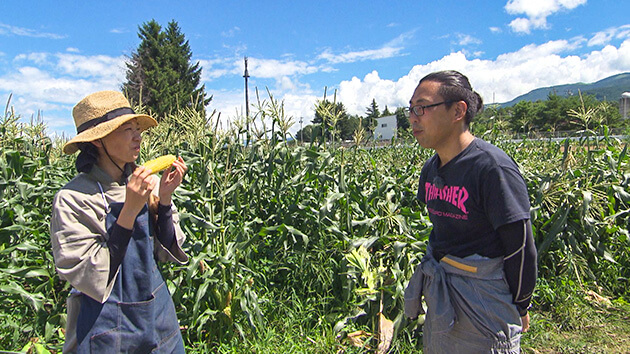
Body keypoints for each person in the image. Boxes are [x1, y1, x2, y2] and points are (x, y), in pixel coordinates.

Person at [403, 70, 537, 353]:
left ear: (458, 111)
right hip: (445, 299)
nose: (413, 117)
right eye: (411, 109)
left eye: (422, 107)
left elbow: (520, 246)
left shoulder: (491, 167)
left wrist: (521, 303)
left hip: (485, 303)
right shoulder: (430, 169)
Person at [50, 90, 189, 353]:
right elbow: (91, 277)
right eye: (127, 129)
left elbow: (166, 251)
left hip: (158, 315)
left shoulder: (146, 182)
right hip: (105, 325)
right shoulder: (72, 198)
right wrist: (129, 210)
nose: (138, 136)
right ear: (98, 141)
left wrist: (166, 198)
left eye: (138, 129)